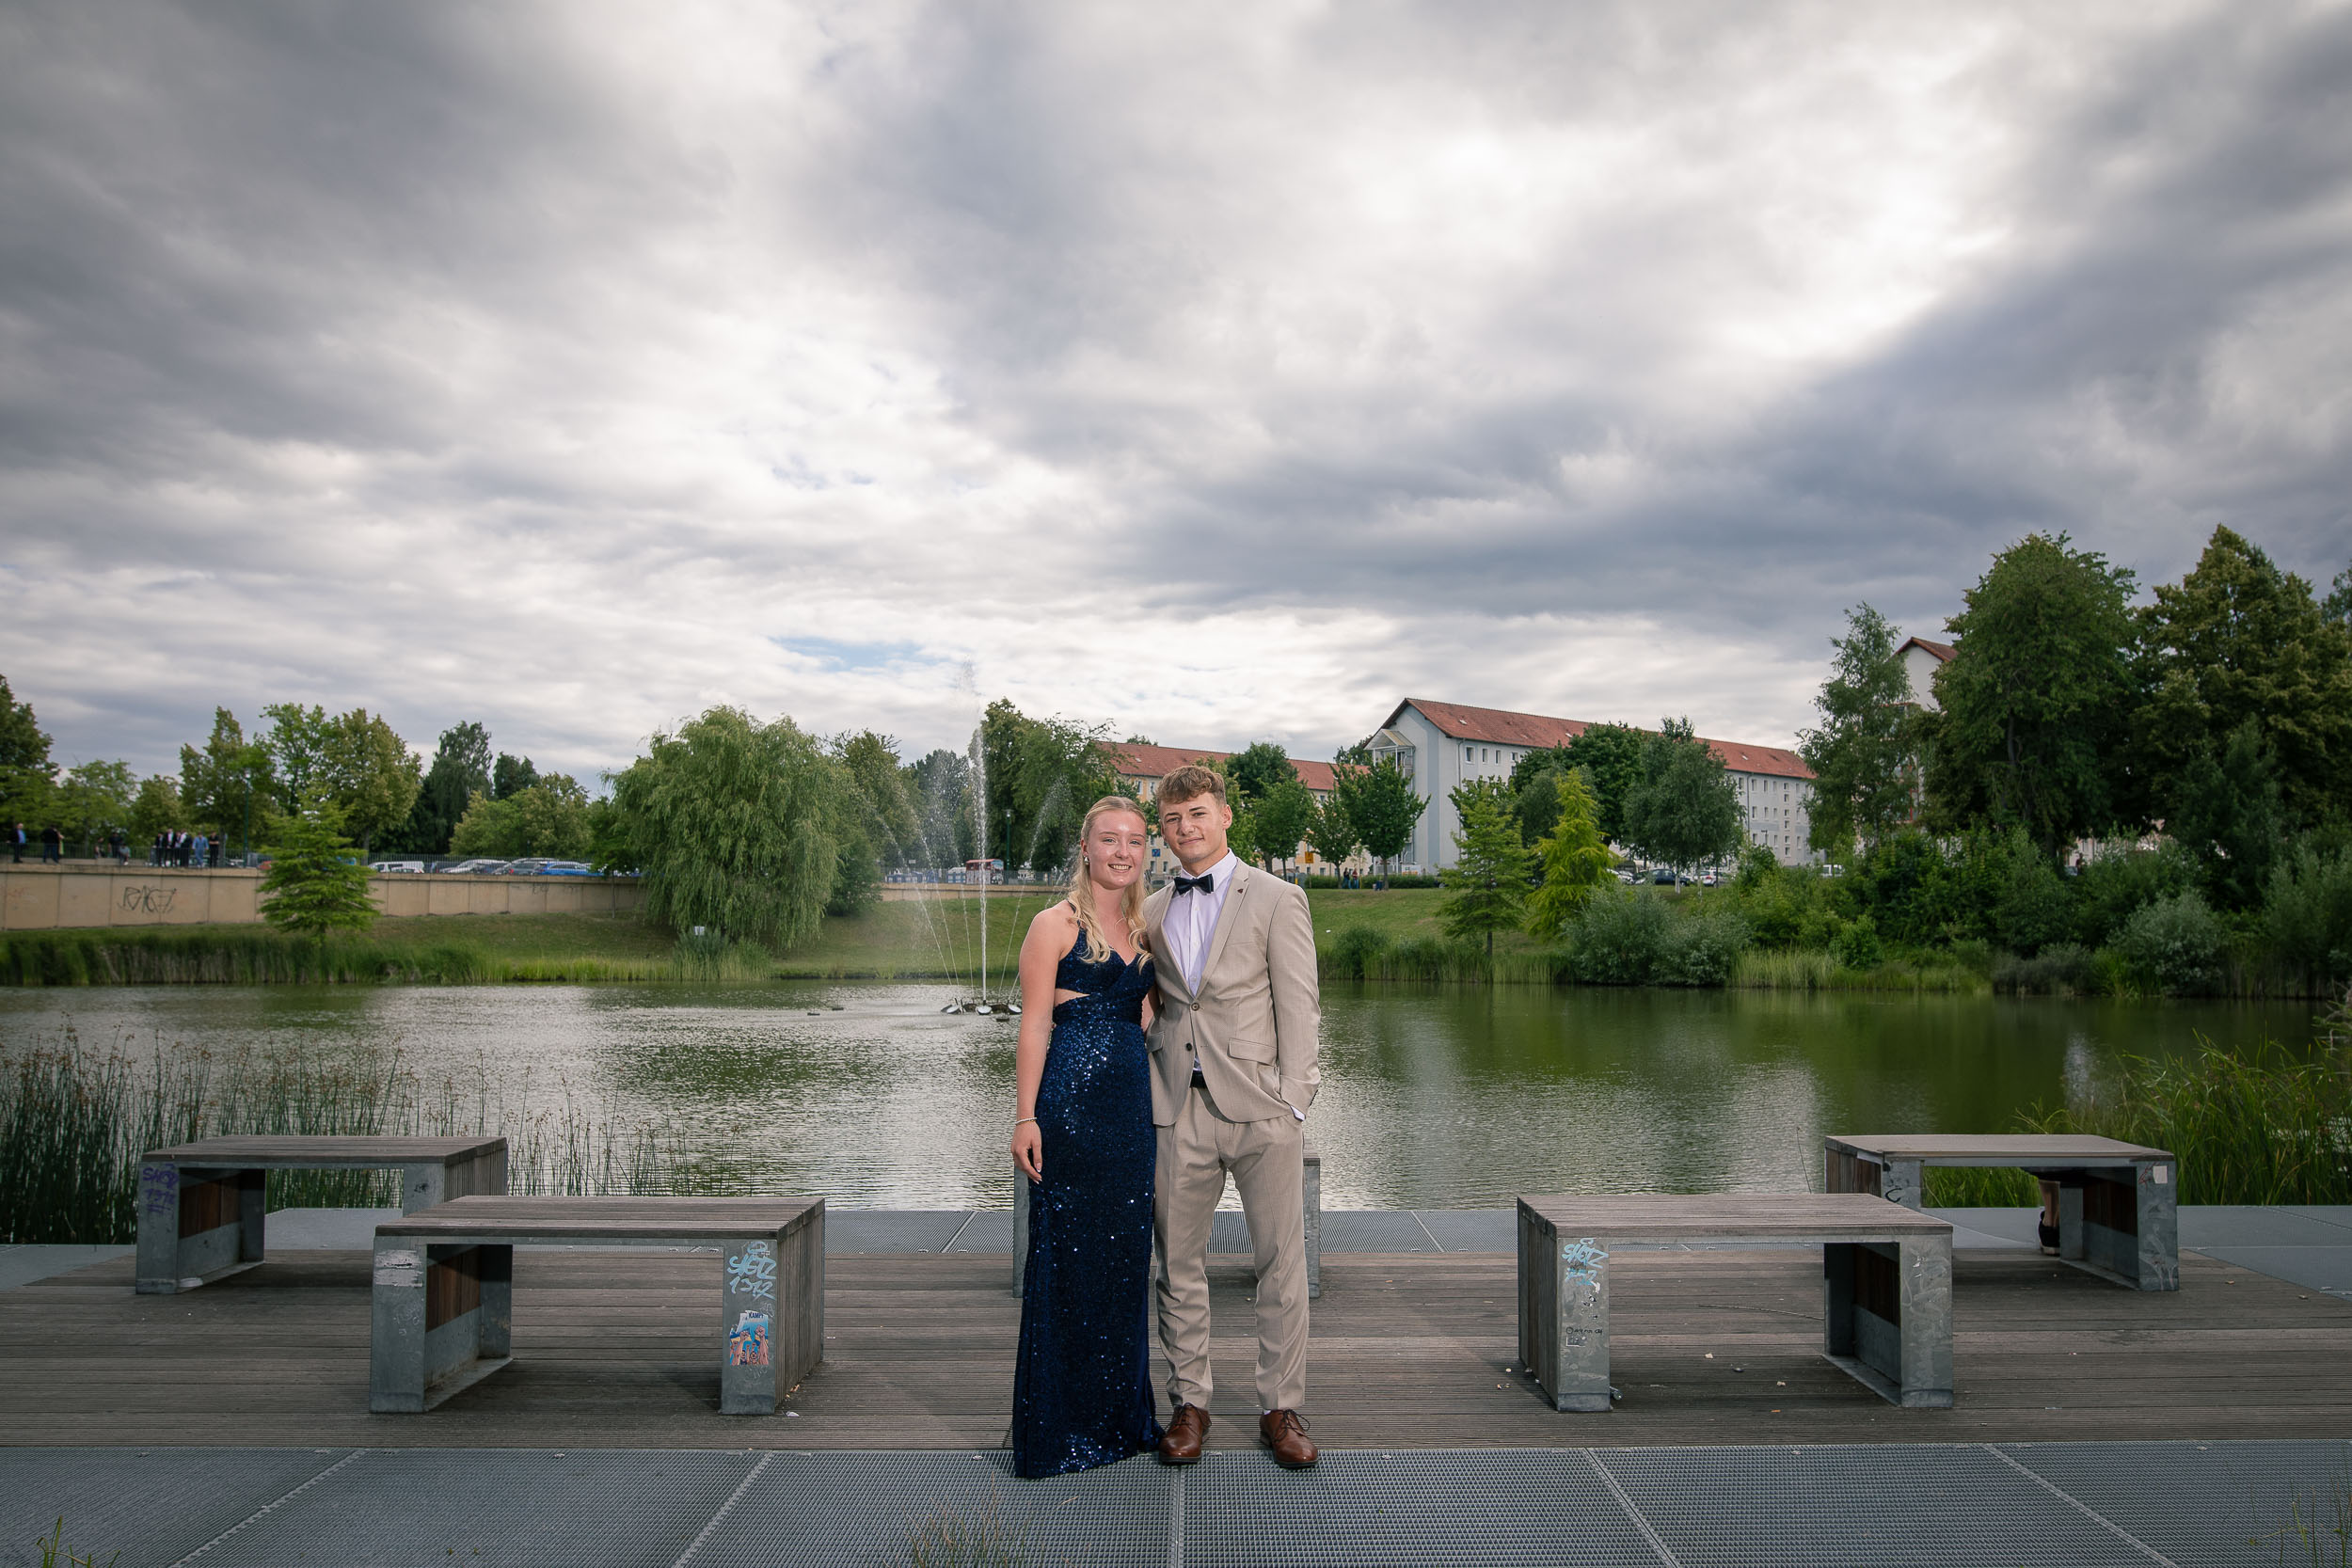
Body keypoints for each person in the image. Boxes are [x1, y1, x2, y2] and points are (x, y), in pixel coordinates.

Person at [1143, 765, 1321, 1471]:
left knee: (1280, 1262)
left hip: (1260, 1108)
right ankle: (1190, 1403)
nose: (1184, 827)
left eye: (1196, 813)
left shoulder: (1278, 897)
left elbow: (1300, 1004)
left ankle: (1280, 1406)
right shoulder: (1150, 908)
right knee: (1177, 1263)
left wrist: (1294, 1098)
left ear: (1223, 816)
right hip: (1175, 1107)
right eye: (1172, 818)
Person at [1008, 795, 1166, 1478]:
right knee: (1067, 1262)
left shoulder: (1146, 927)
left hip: (1130, 1116)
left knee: (1124, 1265)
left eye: (1134, 840)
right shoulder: (1054, 925)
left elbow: (1151, 1019)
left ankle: (1119, 1420)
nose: (1122, 851)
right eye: (1109, 839)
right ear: (1085, 847)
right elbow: (1034, 1025)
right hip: (1070, 1111)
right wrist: (1025, 1116)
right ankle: (1061, 1429)